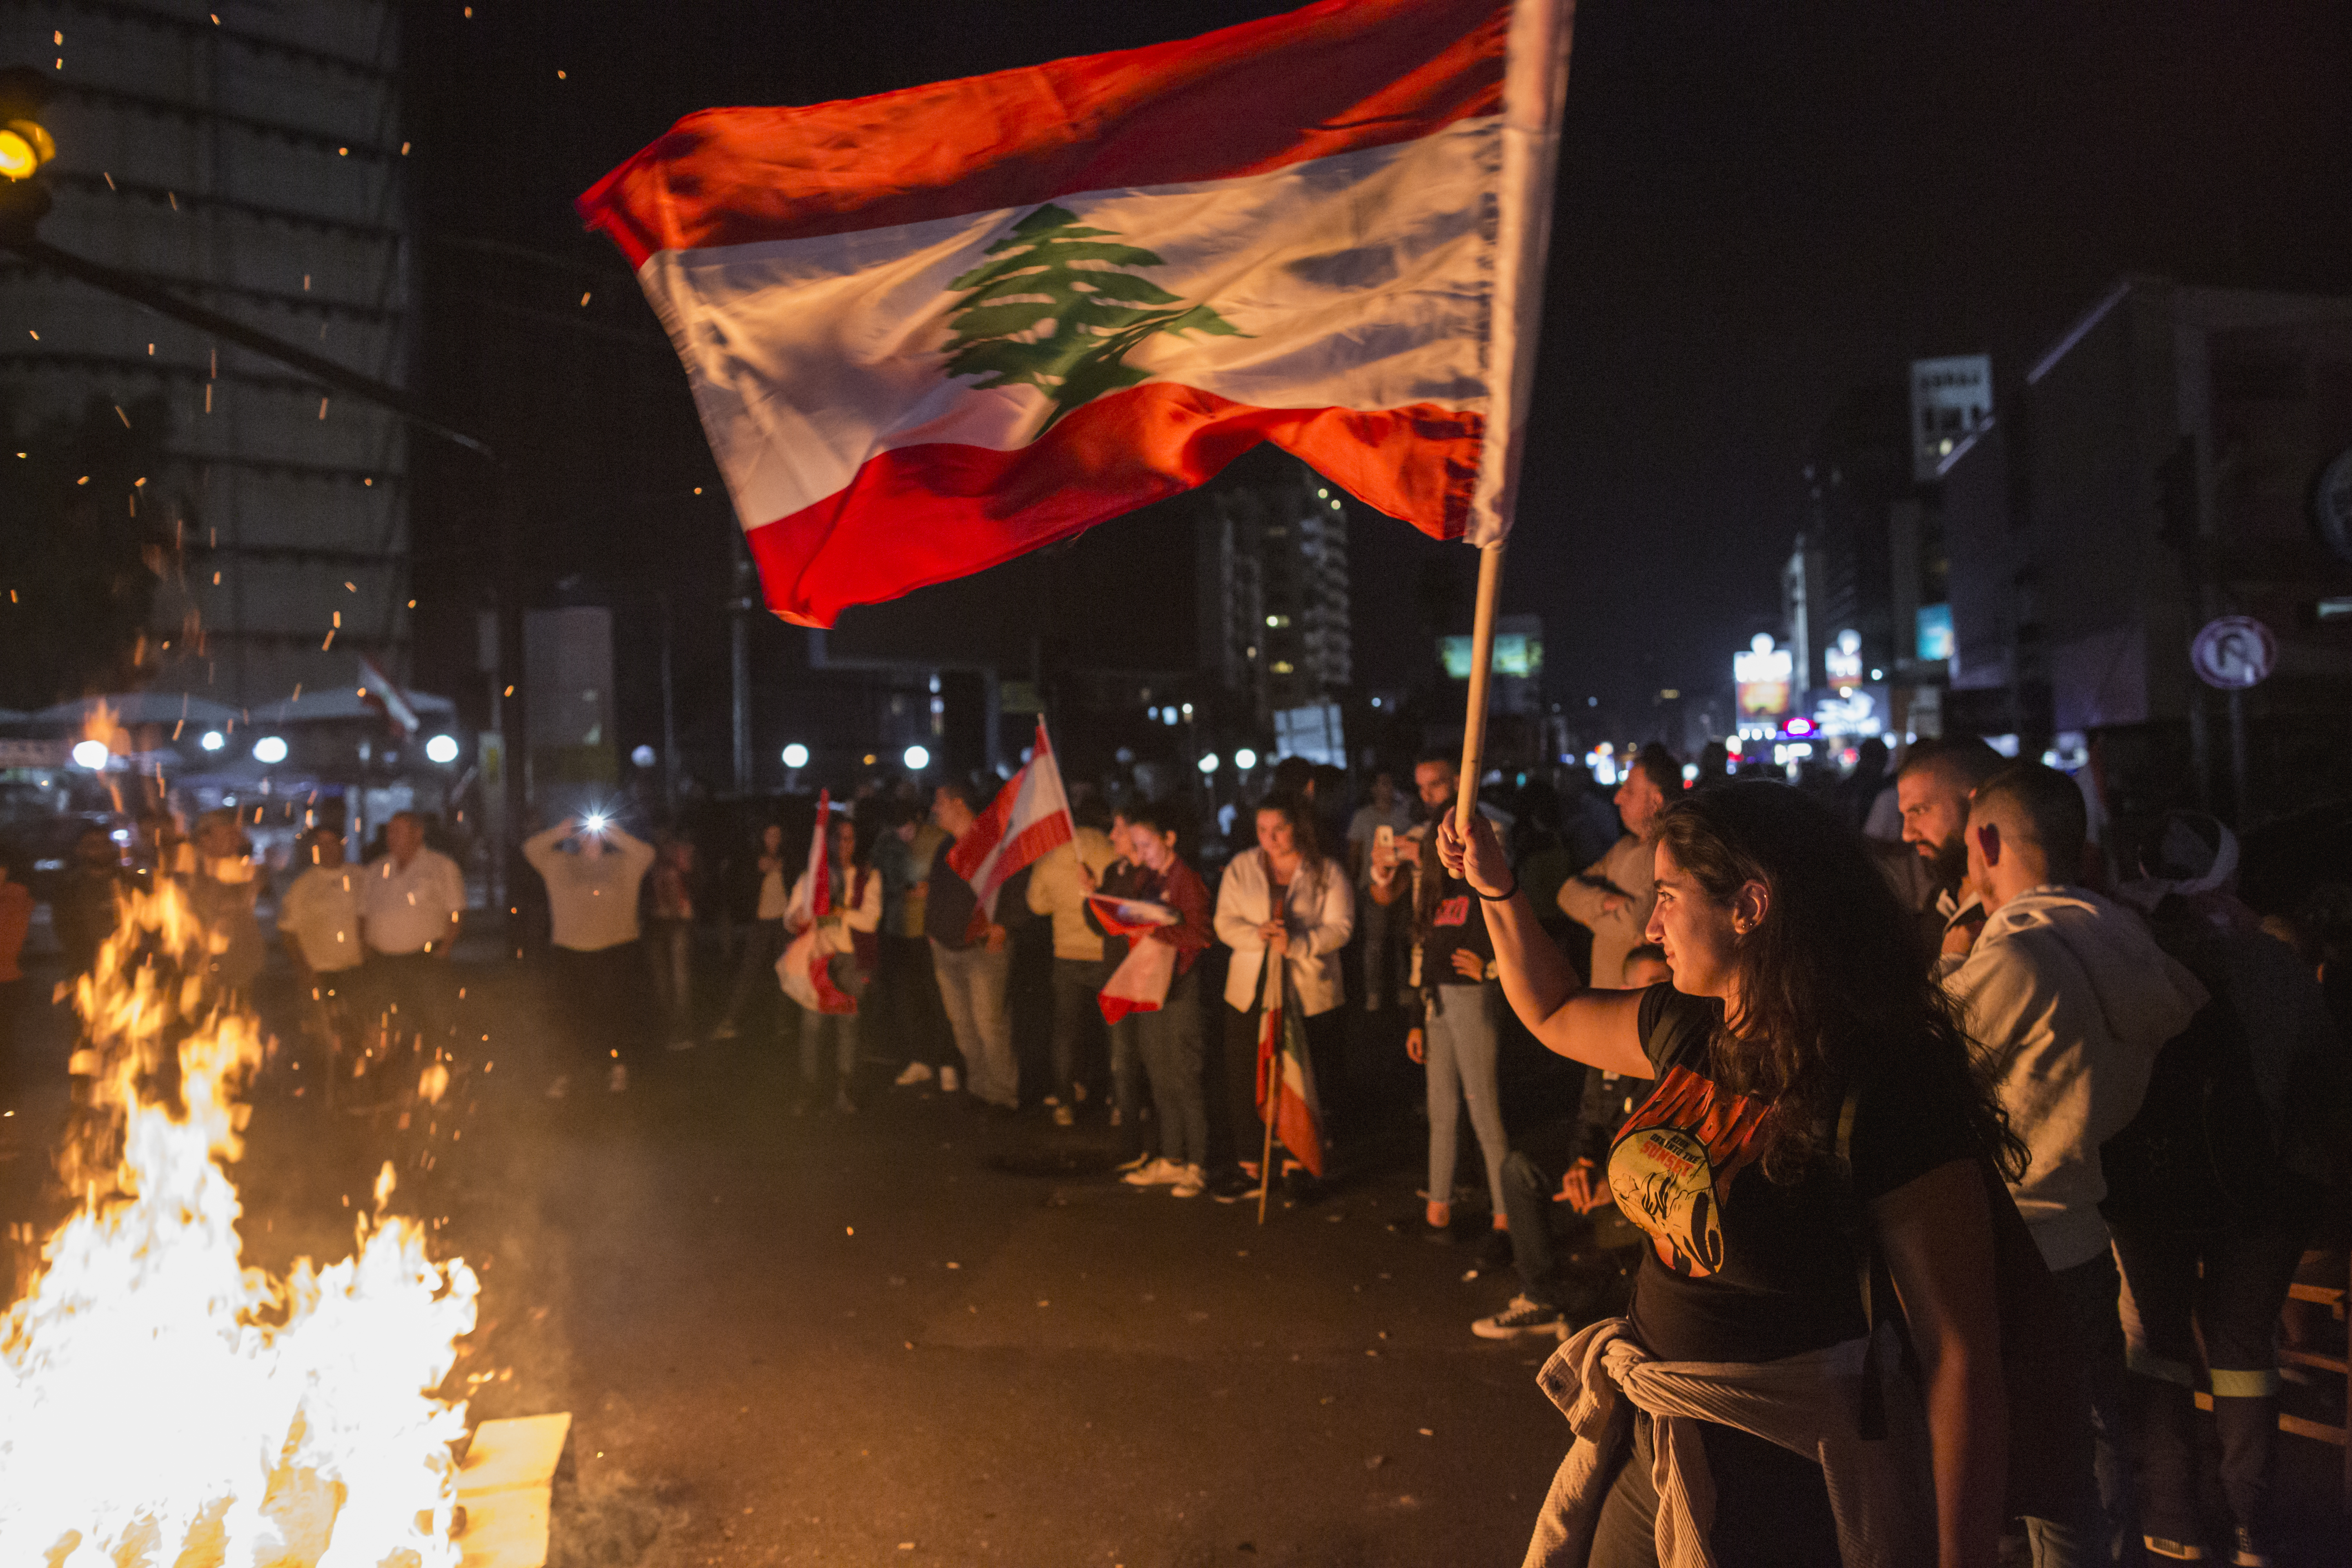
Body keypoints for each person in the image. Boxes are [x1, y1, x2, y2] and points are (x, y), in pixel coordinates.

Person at [1440, 780, 2026, 1568]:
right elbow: (1552, 1010)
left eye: (1668, 897)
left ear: (1749, 906)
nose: (1650, 925)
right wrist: (1499, 888)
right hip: (1655, 1441)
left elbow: (1960, 1354)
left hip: (1787, 1480)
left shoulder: (1882, 1085)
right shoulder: (1691, 1032)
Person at [1938, 762, 2206, 1567]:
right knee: (2082, 1455)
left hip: (2005, 1240)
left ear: (1984, 841)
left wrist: (1955, 943)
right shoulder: (2120, 942)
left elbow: (1922, 1065)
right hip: (2081, 1230)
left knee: (1994, 1458)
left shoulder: (2017, 960)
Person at [2103, 813, 2343, 1567]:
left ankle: (2173, 1515)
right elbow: (2319, 1072)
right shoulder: (2271, 962)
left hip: (2146, 1189)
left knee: (2160, 1342)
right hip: (2259, 1195)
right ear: (2230, 878)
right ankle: (2252, 1526)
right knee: (2245, 1349)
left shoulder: (2124, 954)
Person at [1472, 943, 1673, 1341]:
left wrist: (1615, 1189)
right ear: (1626, 989)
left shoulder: (1678, 1052)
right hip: (1604, 1176)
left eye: (1666, 985)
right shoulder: (1609, 1041)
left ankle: (1596, 1305)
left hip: (1645, 1192)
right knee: (1517, 1169)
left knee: (1611, 1296)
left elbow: (1676, 1151)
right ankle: (1542, 1295)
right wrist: (1581, 1163)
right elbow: (1590, 1119)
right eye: (1652, 986)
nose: (1663, 996)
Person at [1373, 755, 1509, 1246]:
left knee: (1484, 1110)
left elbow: (1514, 930)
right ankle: (1439, 1208)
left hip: (1472, 997)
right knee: (1442, 1109)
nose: (1445, 846)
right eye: (1439, 840)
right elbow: (1423, 954)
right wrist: (1415, 1014)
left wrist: (1492, 971)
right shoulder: (1432, 891)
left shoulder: (1483, 879)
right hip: (1436, 1003)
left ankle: (1505, 1215)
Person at [1214, 793, 1353, 1194]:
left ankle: (1300, 1163)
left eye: (1279, 830)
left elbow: (1341, 926)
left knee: (1304, 1073)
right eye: (1262, 830)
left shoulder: (1325, 870)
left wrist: (1296, 942)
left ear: (1299, 827)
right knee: (1246, 1073)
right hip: (1250, 987)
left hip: (1307, 988)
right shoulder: (1242, 867)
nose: (1269, 839)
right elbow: (1224, 921)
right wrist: (1258, 935)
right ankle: (1251, 1165)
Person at [1108, 801, 1214, 1196]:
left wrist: (1155, 933)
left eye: (1147, 845)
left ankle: (1198, 1164)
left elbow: (1201, 935)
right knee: (1159, 1073)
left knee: (1185, 1075)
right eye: (1136, 846)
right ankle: (1171, 1159)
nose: (1142, 855)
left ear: (1170, 839)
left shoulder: (1187, 878)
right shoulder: (1145, 877)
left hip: (1181, 987)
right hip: (1150, 985)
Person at [523, 813, 655, 1096]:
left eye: (595, 830)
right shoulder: (560, 863)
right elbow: (531, 849)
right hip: (571, 949)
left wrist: (616, 835)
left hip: (615, 948)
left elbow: (647, 853)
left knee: (615, 1012)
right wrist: (560, 832)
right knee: (571, 1013)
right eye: (584, 830)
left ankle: (618, 1067)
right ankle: (567, 1071)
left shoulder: (623, 864)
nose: (590, 835)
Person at [1027, 795, 1120, 1125]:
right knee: (1115, 1032)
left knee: (1066, 1031)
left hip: (1066, 953)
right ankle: (1120, 1103)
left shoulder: (1052, 857)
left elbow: (1037, 905)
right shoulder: (1112, 852)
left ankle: (1065, 1102)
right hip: (1106, 954)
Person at [781, 807, 882, 1114]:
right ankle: (809, 1091)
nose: (844, 845)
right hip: (819, 958)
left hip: (850, 959)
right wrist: (796, 917)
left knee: (847, 1026)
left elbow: (870, 921)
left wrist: (839, 913)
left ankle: (845, 1092)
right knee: (812, 1025)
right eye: (839, 839)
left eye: (850, 839)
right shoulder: (812, 876)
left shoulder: (868, 877)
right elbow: (790, 916)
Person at [927, 779, 1018, 1110]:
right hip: (946, 947)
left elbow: (1013, 885)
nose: (934, 809)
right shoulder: (944, 847)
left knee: (988, 1022)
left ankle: (1004, 1093)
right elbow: (938, 891)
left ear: (959, 804)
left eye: (940, 802)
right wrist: (933, 931)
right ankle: (981, 1087)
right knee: (963, 1025)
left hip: (981, 949)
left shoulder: (993, 843)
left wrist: (1003, 925)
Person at [1555, 743, 1675, 990]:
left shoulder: (1671, 855)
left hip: (1635, 1007)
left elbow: (1640, 923)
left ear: (1656, 801)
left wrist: (1590, 918)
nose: (1618, 798)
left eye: (1629, 791)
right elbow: (1566, 894)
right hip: (1605, 995)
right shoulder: (1623, 848)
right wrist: (1607, 902)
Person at [1895, 737, 2007, 960]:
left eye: (1920, 810)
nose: (1907, 834)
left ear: (1976, 803)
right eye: (1904, 815)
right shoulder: (1940, 900)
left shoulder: (2013, 918)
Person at [276, 828, 366, 1104]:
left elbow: (369, 917)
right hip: (319, 973)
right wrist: (304, 969)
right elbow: (288, 932)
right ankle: (321, 1091)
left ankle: (353, 1087)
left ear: (342, 845)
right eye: (321, 845)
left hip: (353, 971)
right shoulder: (303, 886)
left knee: (354, 1032)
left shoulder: (360, 877)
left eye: (332, 843)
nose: (328, 849)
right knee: (322, 1035)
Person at [874, 798, 957, 1089]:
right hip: (897, 930)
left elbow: (958, 876)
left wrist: (932, 889)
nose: (903, 836)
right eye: (898, 830)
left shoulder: (938, 840)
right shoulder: (885, 844)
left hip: (928, 930)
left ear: (918, 821)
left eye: (908, 829)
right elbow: (877, 880)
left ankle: (949, 1061)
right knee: (907, 1000)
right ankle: (920, 1060)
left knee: (939, 997)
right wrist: (895, 889)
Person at [711, 822, 789, 1042]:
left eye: (777, 835)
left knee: (785, 972)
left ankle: (782, 1024)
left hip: (783, 922)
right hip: (762, 922)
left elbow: (797, 882)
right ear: (763, 837)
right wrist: (759, 872)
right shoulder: (755, 859)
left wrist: (783, 868)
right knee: (749, 971)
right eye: (769, 835)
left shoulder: (789, 859)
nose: (773, 839)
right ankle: (731, 1020)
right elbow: (744, 888)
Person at [185, 808, 266, 1002]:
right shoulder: (189, 872)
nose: (237, 840)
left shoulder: (244, 869)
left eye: (238, 834)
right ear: (206, 840)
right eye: (229, 834)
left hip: (243, 967)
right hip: (200, 975)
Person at [1346, 773, 1412, 1012]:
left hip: (1402, 888)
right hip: (1371, 887)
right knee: (1375, 942)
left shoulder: (1404, 816)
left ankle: (1404, 989)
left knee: (1401, 939)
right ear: (1373, 788)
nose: (1388, 788)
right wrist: (1352, 886)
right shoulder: (1363, 817)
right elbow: (1355, 853)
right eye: (1383, 783)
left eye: (1391, 783)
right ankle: (1374, 993)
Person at [645, 832, 697, 1051]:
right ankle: (669, 1026)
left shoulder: (680, 855)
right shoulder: (649, 859)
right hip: (658, 922)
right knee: (663, 977)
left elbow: (691, 877)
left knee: (678, 976)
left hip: (676, 922)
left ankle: (681, 1027)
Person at [50, 824, 124, 980]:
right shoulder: (69, 889)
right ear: (80, 850)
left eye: (105, 844)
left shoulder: (130, 884)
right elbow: (66, 932)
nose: (101, 850)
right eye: (93, 845)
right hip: (87, 973)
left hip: (128, 971)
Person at [0, 856, 29, 1113]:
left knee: (6, 1039)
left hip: (7, 978)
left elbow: (13, 930)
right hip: (8, 976)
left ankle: (8, 1092)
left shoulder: (14, 896)